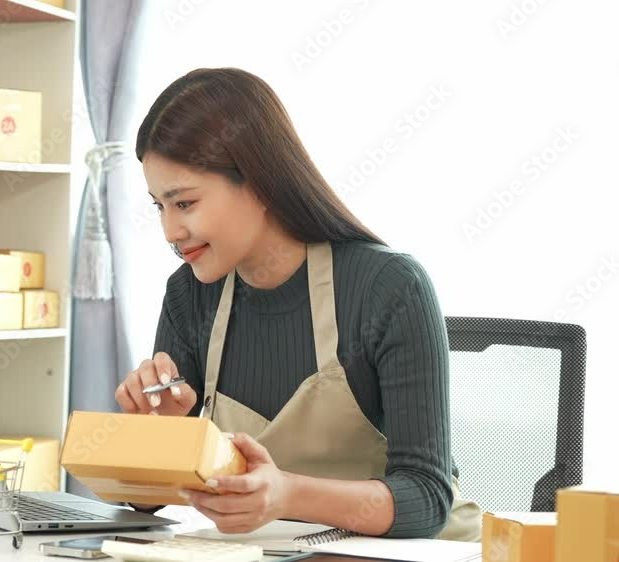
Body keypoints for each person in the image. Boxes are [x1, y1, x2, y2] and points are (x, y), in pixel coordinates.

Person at [115, 67, 481, 541]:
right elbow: (152, 501)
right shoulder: (189, 296)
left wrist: (286, 494)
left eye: (184, 203)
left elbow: (427, 499)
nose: (170, 231)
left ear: (260, 183)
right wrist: (155, 439)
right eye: (158, 206)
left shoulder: (389, 288)